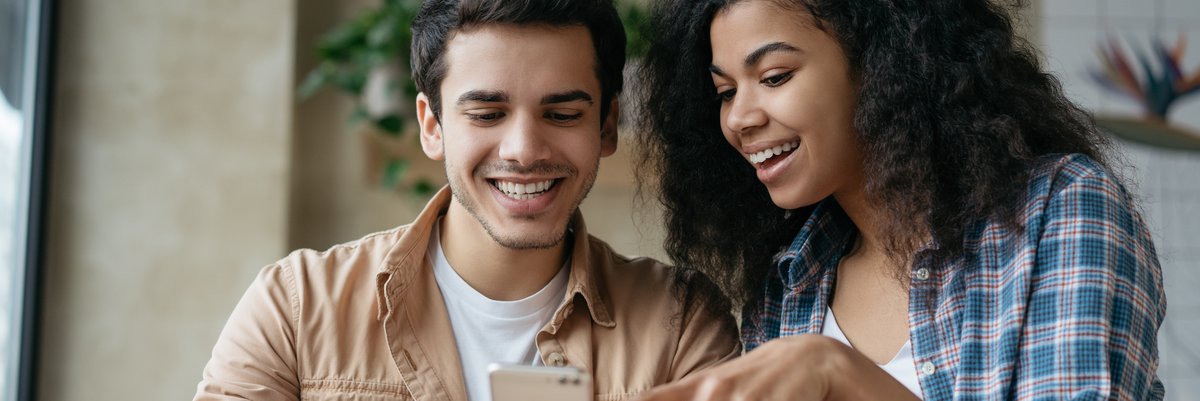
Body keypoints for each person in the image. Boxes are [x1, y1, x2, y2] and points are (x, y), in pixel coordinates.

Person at [194, 0, 740, 399]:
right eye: (486, 114)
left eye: (563, 114)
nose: (524, 150)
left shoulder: (681, 327)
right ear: (431, 126)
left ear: (607, 125)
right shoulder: (296, 308)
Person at [633, 0, 1166, 400]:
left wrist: (834, 371)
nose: (739, 118)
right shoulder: (789, 286)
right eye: (725, 92)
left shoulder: (1061, 210)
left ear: (882, 63)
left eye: (774, 77)